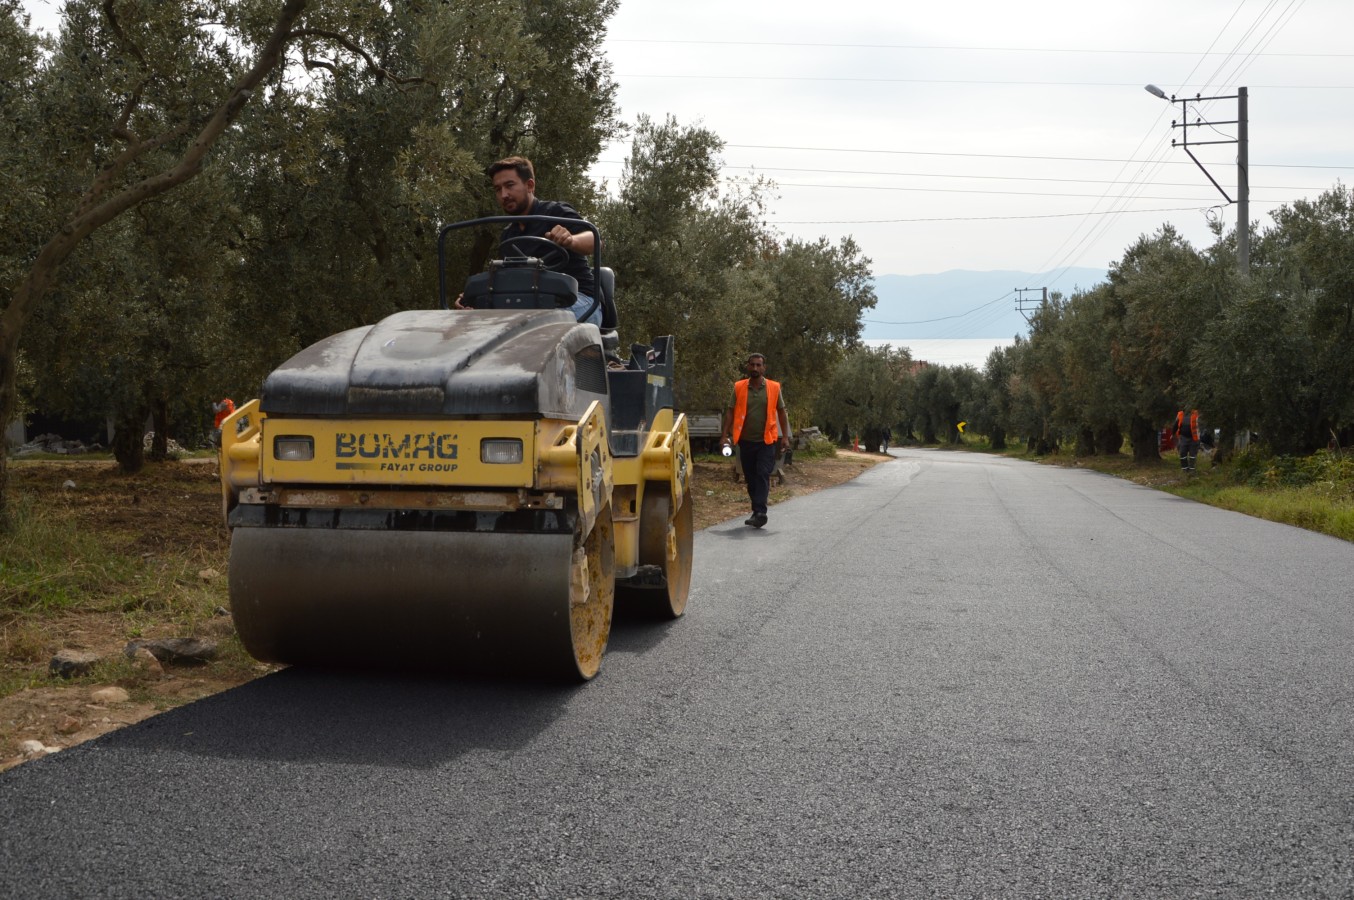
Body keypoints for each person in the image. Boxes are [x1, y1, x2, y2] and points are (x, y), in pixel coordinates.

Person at [456, 156, 602, 326]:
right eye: (498, 189)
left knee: (534, 322)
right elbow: (507, 280)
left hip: (579, 301)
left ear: (530, 185)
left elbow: (595, 240)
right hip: (530, 306)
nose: (504, 195)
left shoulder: (556, 212)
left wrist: (570, 240)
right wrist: (474, 298)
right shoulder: (509, 235)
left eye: (509, 186)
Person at [720, 353, 791, 528]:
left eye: (759, 365)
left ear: (764, 368)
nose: (755, 368)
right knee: (750, 478)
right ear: (748, 367)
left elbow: (782, 412)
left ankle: (760, 512)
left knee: (762, 473)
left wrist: (785, 437)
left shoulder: (774, 388)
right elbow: (730, 412)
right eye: (752, 365)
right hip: (745, 441)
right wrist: (724, 435)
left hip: (766, 440)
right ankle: (756, 511)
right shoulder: (739, 387)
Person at [1175, 408, 1200, 474]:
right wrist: (1173, 433)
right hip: (1183, 438)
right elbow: (1176, 424)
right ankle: (1185, 470)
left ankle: (1192, 471)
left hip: (1193, 438)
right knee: (1182, 453)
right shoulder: (1180, 414)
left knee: (1192, 455)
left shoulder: (1196, 414)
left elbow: (1200, 425)